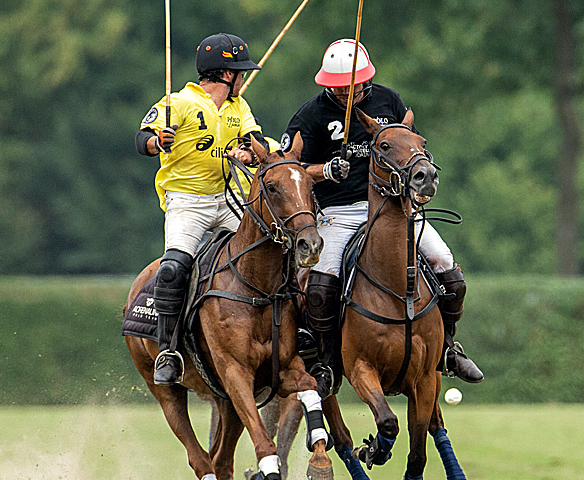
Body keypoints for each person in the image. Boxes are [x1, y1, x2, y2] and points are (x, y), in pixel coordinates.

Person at [281, 39, 484, 384]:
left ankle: (449, 348)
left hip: (394, 207)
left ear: (367, 80)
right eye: (337, 88)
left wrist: (417, 182)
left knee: (446, 266)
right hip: (339, 211)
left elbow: (414, 148)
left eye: (352, 86)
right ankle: (327, 359)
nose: (345, 93)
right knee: (321, 284)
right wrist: (325, 170)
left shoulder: (388, 101)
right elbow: (289, 169)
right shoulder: (310, 115)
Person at [135, 33, 269, 386]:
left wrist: (248, 152)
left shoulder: (239, 107)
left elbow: (255, 140)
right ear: (225, 74)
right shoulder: (178, 102)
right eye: (240, 72)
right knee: (173, 269)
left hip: (229, 197)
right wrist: (158, 141)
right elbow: (142, 139)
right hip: (187, 200)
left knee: (271, 250)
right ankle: (168, 350)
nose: (243, 78)